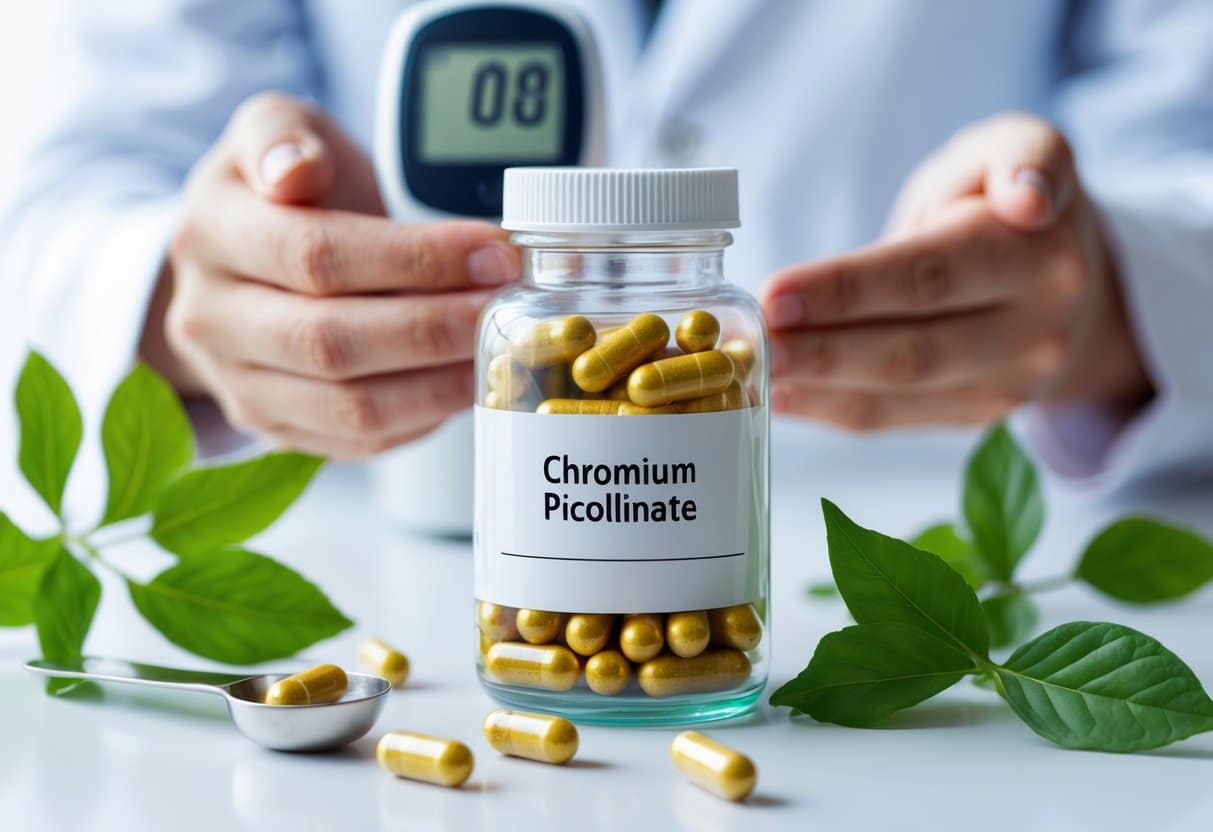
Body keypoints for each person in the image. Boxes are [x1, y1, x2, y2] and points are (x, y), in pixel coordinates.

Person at [2, 0, 1210, 491]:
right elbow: (64, 190)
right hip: (385, 550)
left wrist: (1108, 291)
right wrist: (187, 297)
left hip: (942, 558)